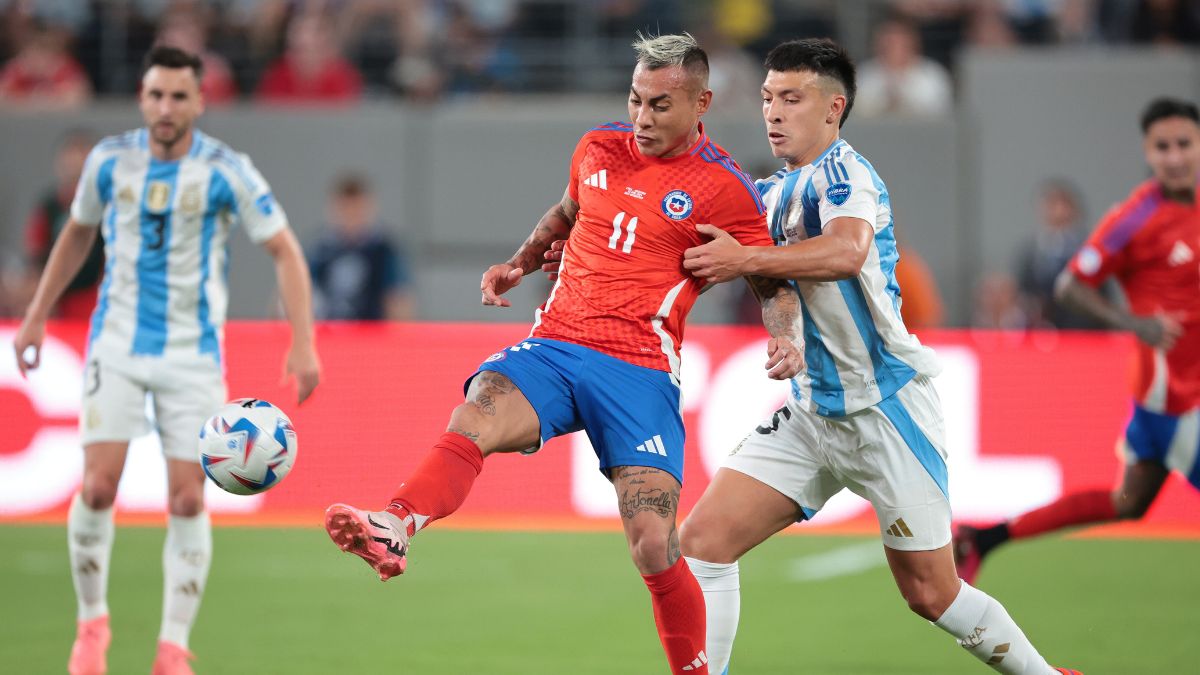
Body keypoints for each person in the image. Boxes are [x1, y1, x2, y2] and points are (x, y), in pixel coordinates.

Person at [323, 33, 801, 674]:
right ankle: (396, 522)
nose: (643, 117)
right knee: (479, 408)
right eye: (635, 99)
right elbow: (568, 211)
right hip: (556, 344)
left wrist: (785, 333)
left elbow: (768, 277)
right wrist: (520, 263)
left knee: (655, 544)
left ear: (701, 102)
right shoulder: (598, 146)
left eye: (661, 104)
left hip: (639, 370)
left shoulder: (724, 187)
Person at [676, 39, 1078, 675]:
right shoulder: (774, 191)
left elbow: (845, 253)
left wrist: (747, 258)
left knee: (931, 594)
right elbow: (716, 249)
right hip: (812, 413)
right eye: (766, 98)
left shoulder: (847, 176)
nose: (772, 113)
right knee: (701, 541)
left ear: (833, 108)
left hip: (886, 410)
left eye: (790, 98)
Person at [11, 46, 321, 675]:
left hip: (192, 354)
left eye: (179, 96)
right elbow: (76, 233)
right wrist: (38, 312)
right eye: (156, 94)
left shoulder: (226, 171)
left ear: (199, 102)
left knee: (186, 500)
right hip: (116, 343)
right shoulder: (109, 161)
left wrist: (303, 340)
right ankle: (91, 625)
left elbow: (284, 249)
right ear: (143, 98)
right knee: (98, 486)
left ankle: (173, 646)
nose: (165, 107)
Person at [954, 98, 1200, 585]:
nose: (1174, 156)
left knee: (1127, 503)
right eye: (1162, 147)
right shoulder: (1135, 217)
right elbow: (1070, 285)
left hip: (1180, 392)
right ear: (1148, 153)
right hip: (1173, 396)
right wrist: (1134, 322)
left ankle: (984, 539)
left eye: (1183, 144)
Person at [308, 172, 414, 321]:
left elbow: (398, 299)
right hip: (326, 333)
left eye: (356, 210)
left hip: (372, 336)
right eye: (345, 209)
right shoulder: (320, 249)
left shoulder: (384, 249)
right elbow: (294, 292)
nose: (351, 217)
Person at [23, 129, 104, 320]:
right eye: (70, 156)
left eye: (81, 156)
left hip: (90, 298)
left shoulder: (105, 207)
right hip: (56, 300)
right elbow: (36, 254)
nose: (74, 163)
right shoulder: (49, 206)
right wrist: (41, 302)